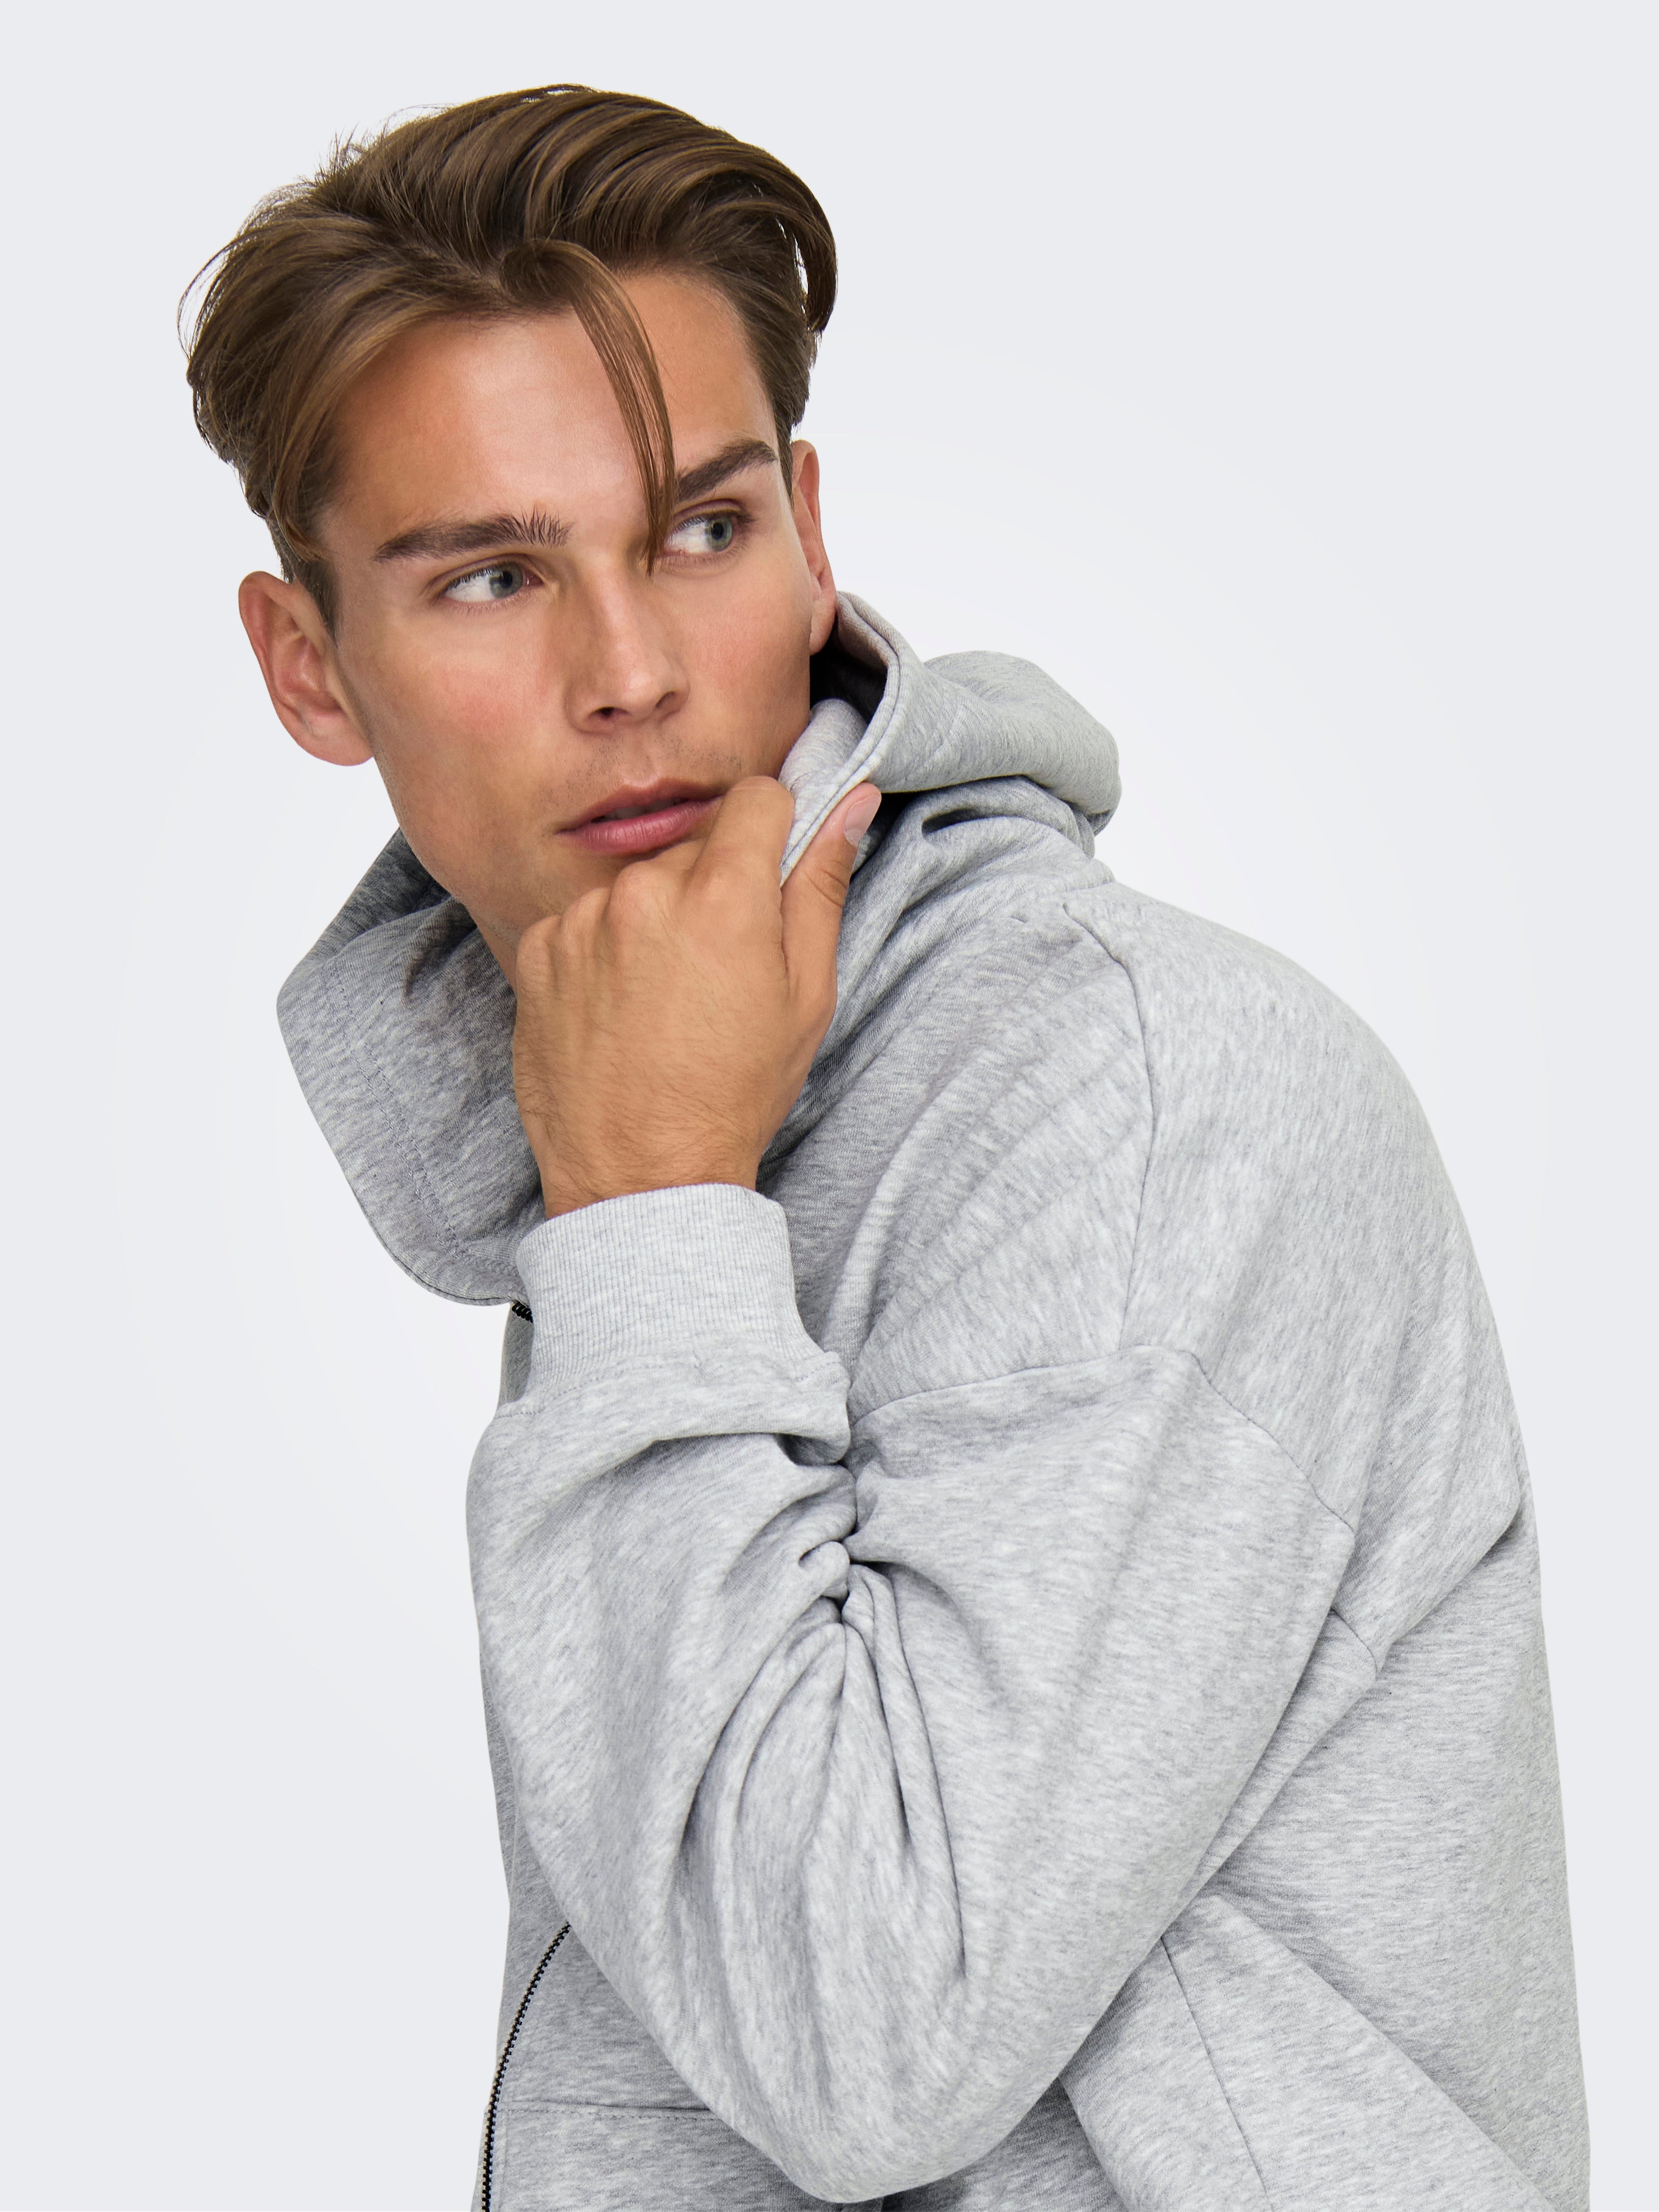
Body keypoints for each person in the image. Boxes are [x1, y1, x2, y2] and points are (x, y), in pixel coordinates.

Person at [184, 84, 1588, 2212]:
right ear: (311, 666)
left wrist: (652, 1212)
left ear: (810, 531)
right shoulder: (656, 1106)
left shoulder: (1132, 1105)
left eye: (700, 530)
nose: (632, 671)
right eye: (491, 576)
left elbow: (864, 2042)